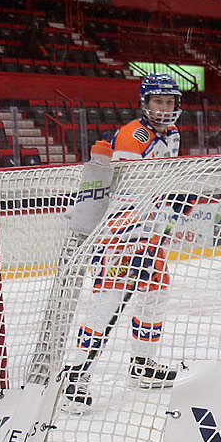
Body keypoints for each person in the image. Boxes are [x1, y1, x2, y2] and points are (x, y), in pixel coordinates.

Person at [60, 74, 186, 407]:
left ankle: (142, 367)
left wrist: (168, 211)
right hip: (120, 232)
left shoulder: (172, 135)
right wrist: (135, 241)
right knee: (107, 303)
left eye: (169, 101)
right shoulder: (134, 136)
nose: (164, 108)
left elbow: (162, 182)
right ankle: (75, 376)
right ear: (145, 104)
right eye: (158, 101)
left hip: (149, 233)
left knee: (156, 294)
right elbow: (125, 196)